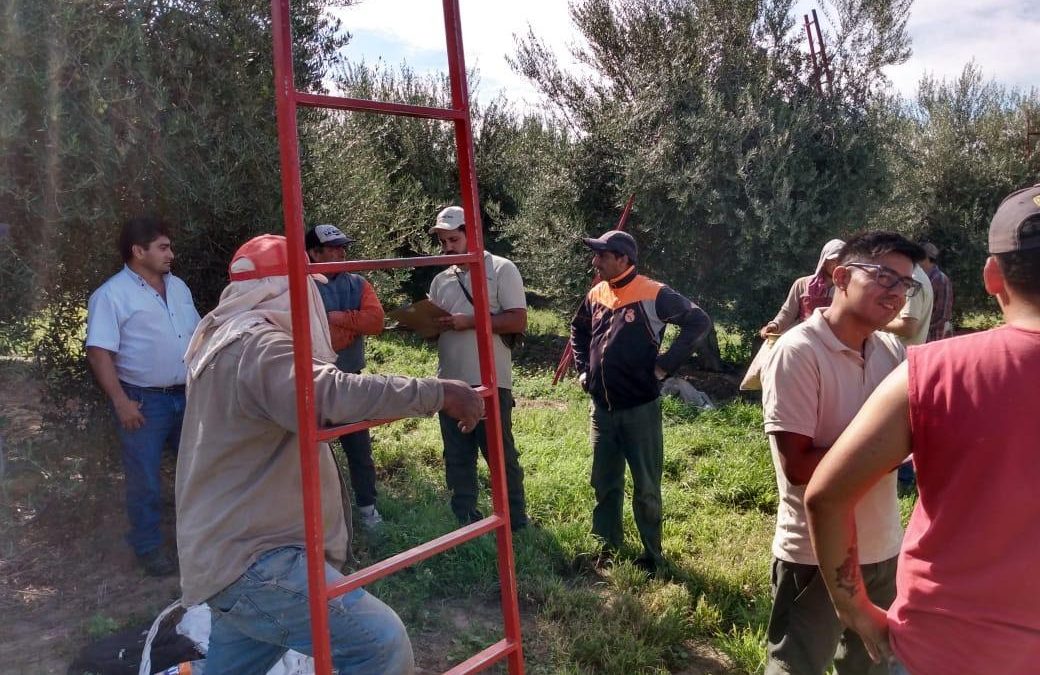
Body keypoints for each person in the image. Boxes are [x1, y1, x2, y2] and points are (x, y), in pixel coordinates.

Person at [176, 234, 484, 674]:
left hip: (231, 556)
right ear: (288, 287)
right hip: (257, 563)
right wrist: (437, 392)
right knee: (381, 644)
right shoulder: (260, 346)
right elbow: (328, 392)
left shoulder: (224, 340)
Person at [805, 185, 1040, 675]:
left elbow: (826, 495)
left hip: (939, 648)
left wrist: (854, 608)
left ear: (992, 277)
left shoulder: (929, 372)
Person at [759, 231, 925, 675]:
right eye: (885, 277)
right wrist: (890, 452)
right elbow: (798, 468)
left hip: (882, 548)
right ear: (842, 275)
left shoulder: (890, 350)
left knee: (870, 665)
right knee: (798, 666)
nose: (896, 293)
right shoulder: (799, 351)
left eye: (905, 285)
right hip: (812, 556)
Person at [570, 230, 711, 576]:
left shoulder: (654, 293)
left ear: (623, 259)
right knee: (604, 482)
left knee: (646, 487)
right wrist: (583, 371)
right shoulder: (597, 293)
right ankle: (606, 545)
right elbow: (578, 329)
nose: (595, 261)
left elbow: (699, 322)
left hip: (640, 410)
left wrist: (664, 366)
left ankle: (652, 558)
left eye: (602, 255)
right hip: (601, 410)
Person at [85, 216, 201, 577]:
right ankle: (148, 547)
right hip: (143, 401)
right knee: (145, 479)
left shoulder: (178, 287)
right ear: (139, 251)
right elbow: (99, 352)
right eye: (163, 248)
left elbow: (197, 335)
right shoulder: (111, 295)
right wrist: (121, 401)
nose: (171, 254)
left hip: (187, 395)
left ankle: (197, 542)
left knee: (197, 473)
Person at [427, 205, 530, 531]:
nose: (447, 248)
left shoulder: (502, 269)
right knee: (456, 455)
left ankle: (514, 521)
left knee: (499, 455)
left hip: (490, 381)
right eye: (443, 241)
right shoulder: (441, 279)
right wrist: (423, 325)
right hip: (450, 383)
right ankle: (464, 519)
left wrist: (467, 322)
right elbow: (435, 330)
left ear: (473, 234)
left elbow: (517, 319)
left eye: (453, 239)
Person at [306, 224, 386, 529]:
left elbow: (376, 321)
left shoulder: (358, 283)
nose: (342, 253)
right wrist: (351, 327)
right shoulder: (302, 284)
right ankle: (317, 519)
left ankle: (367, 511)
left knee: (359, 451)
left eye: (343, 247)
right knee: (310, 453)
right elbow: (308, 331)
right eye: (333, 248)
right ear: (313, 253)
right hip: (312, 382)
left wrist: (336, 319)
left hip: (350, 377)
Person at [760, 239, 845, 339]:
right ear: (824, 261)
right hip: (802, 338)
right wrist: (775, 325)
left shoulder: (848, 289)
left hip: (833, 341)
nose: (836, 265)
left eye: (840, 261)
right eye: (833, 260)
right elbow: (787, 313)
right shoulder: (802, 284)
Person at [920, 242, 953, 341]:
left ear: (925, 257)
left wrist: (920, 328)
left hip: (933, 338)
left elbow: (942, 316)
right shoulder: (921, 278)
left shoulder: (940, 280)